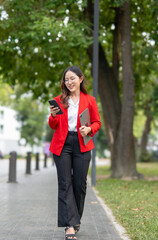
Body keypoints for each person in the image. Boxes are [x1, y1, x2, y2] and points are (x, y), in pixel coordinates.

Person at [48, 66, 101, 240]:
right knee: (65, 184)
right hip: (62, 145)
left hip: (82, 144)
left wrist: (89, 129)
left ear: (80, 79)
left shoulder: (90, 100)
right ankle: (69, 225)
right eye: (66, 79)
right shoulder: (59, 100)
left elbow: (97, 123)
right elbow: (52, 125)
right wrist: (53, 115)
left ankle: (75, 218)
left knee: (80, 185)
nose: (69, 82)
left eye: (72, 78)